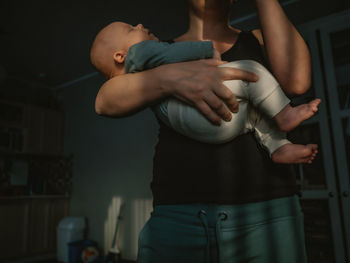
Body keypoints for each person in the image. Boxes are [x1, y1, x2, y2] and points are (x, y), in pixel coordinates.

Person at [94, 0, 313, 262]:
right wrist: (169, 79)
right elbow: (104, 100)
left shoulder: (258, 38)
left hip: (266, 215)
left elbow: (297, 82)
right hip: (178, 219)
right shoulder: (158, 50)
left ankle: (278, 145)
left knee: (257, 118)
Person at [90, 21, 320, 163]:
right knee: (250, 73)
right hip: (199, 114)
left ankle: (278, 148)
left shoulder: (136, 75)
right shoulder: (140, 53)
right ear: (120, 56)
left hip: (202, 127)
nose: (140, 25)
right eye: (131, 29)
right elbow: (102, 103)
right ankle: (284, 115)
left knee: (253, 114)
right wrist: (207, 48)